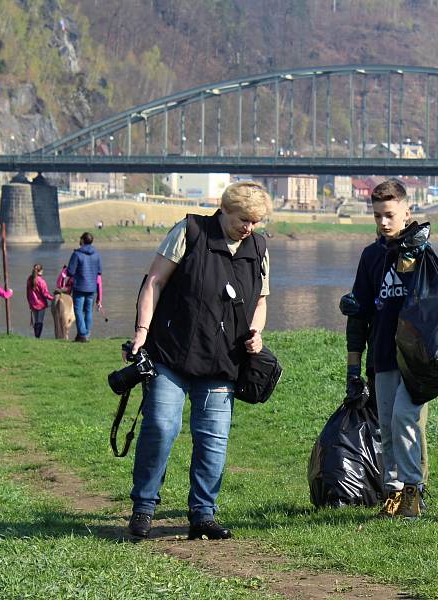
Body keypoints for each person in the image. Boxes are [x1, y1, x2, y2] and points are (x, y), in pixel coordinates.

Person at [126, 181, 272, 540]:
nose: (248, 228)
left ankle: (203, 514)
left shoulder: (259, 248)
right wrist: (142, 332)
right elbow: (154, 282)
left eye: (255, 221)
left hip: (223, 361)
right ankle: (144, 508)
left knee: (213, 438)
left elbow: (261, 300)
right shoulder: (190, 231)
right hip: (170, 354)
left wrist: (256, 332)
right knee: (161, 426)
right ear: (224, 209)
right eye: (243, 219)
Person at [346, 179, 427, 519]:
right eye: (377, 215)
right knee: (388, 428)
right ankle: (392, 494)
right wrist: (353, 366)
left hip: (416, 359)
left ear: (407, 212)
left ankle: (414, 492)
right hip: (382, 355)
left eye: (390, 215)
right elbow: (359, 313)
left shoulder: (424, 254)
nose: (383, 222)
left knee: (406, 419)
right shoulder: (370, 256)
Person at [66, 232, 103, 342]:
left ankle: (82, 334)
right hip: (91, 288)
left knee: (78, 311)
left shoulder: (77, 254)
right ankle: (86, 334)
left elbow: (70, 272)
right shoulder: (97, 255)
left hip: (79, 287)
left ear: (82, 240)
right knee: (88, 312)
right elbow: (99, 271)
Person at [26, 264, 55, 338]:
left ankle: (36, 336)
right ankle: (38, 336)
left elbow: (27, 292)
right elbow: (45, 294)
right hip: (41, 304)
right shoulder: (41, 281)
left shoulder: (29, 279)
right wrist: (53, 298)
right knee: (40, 321)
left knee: (36, 321)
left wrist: (29, 302)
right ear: (40, 271)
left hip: (32, 303)